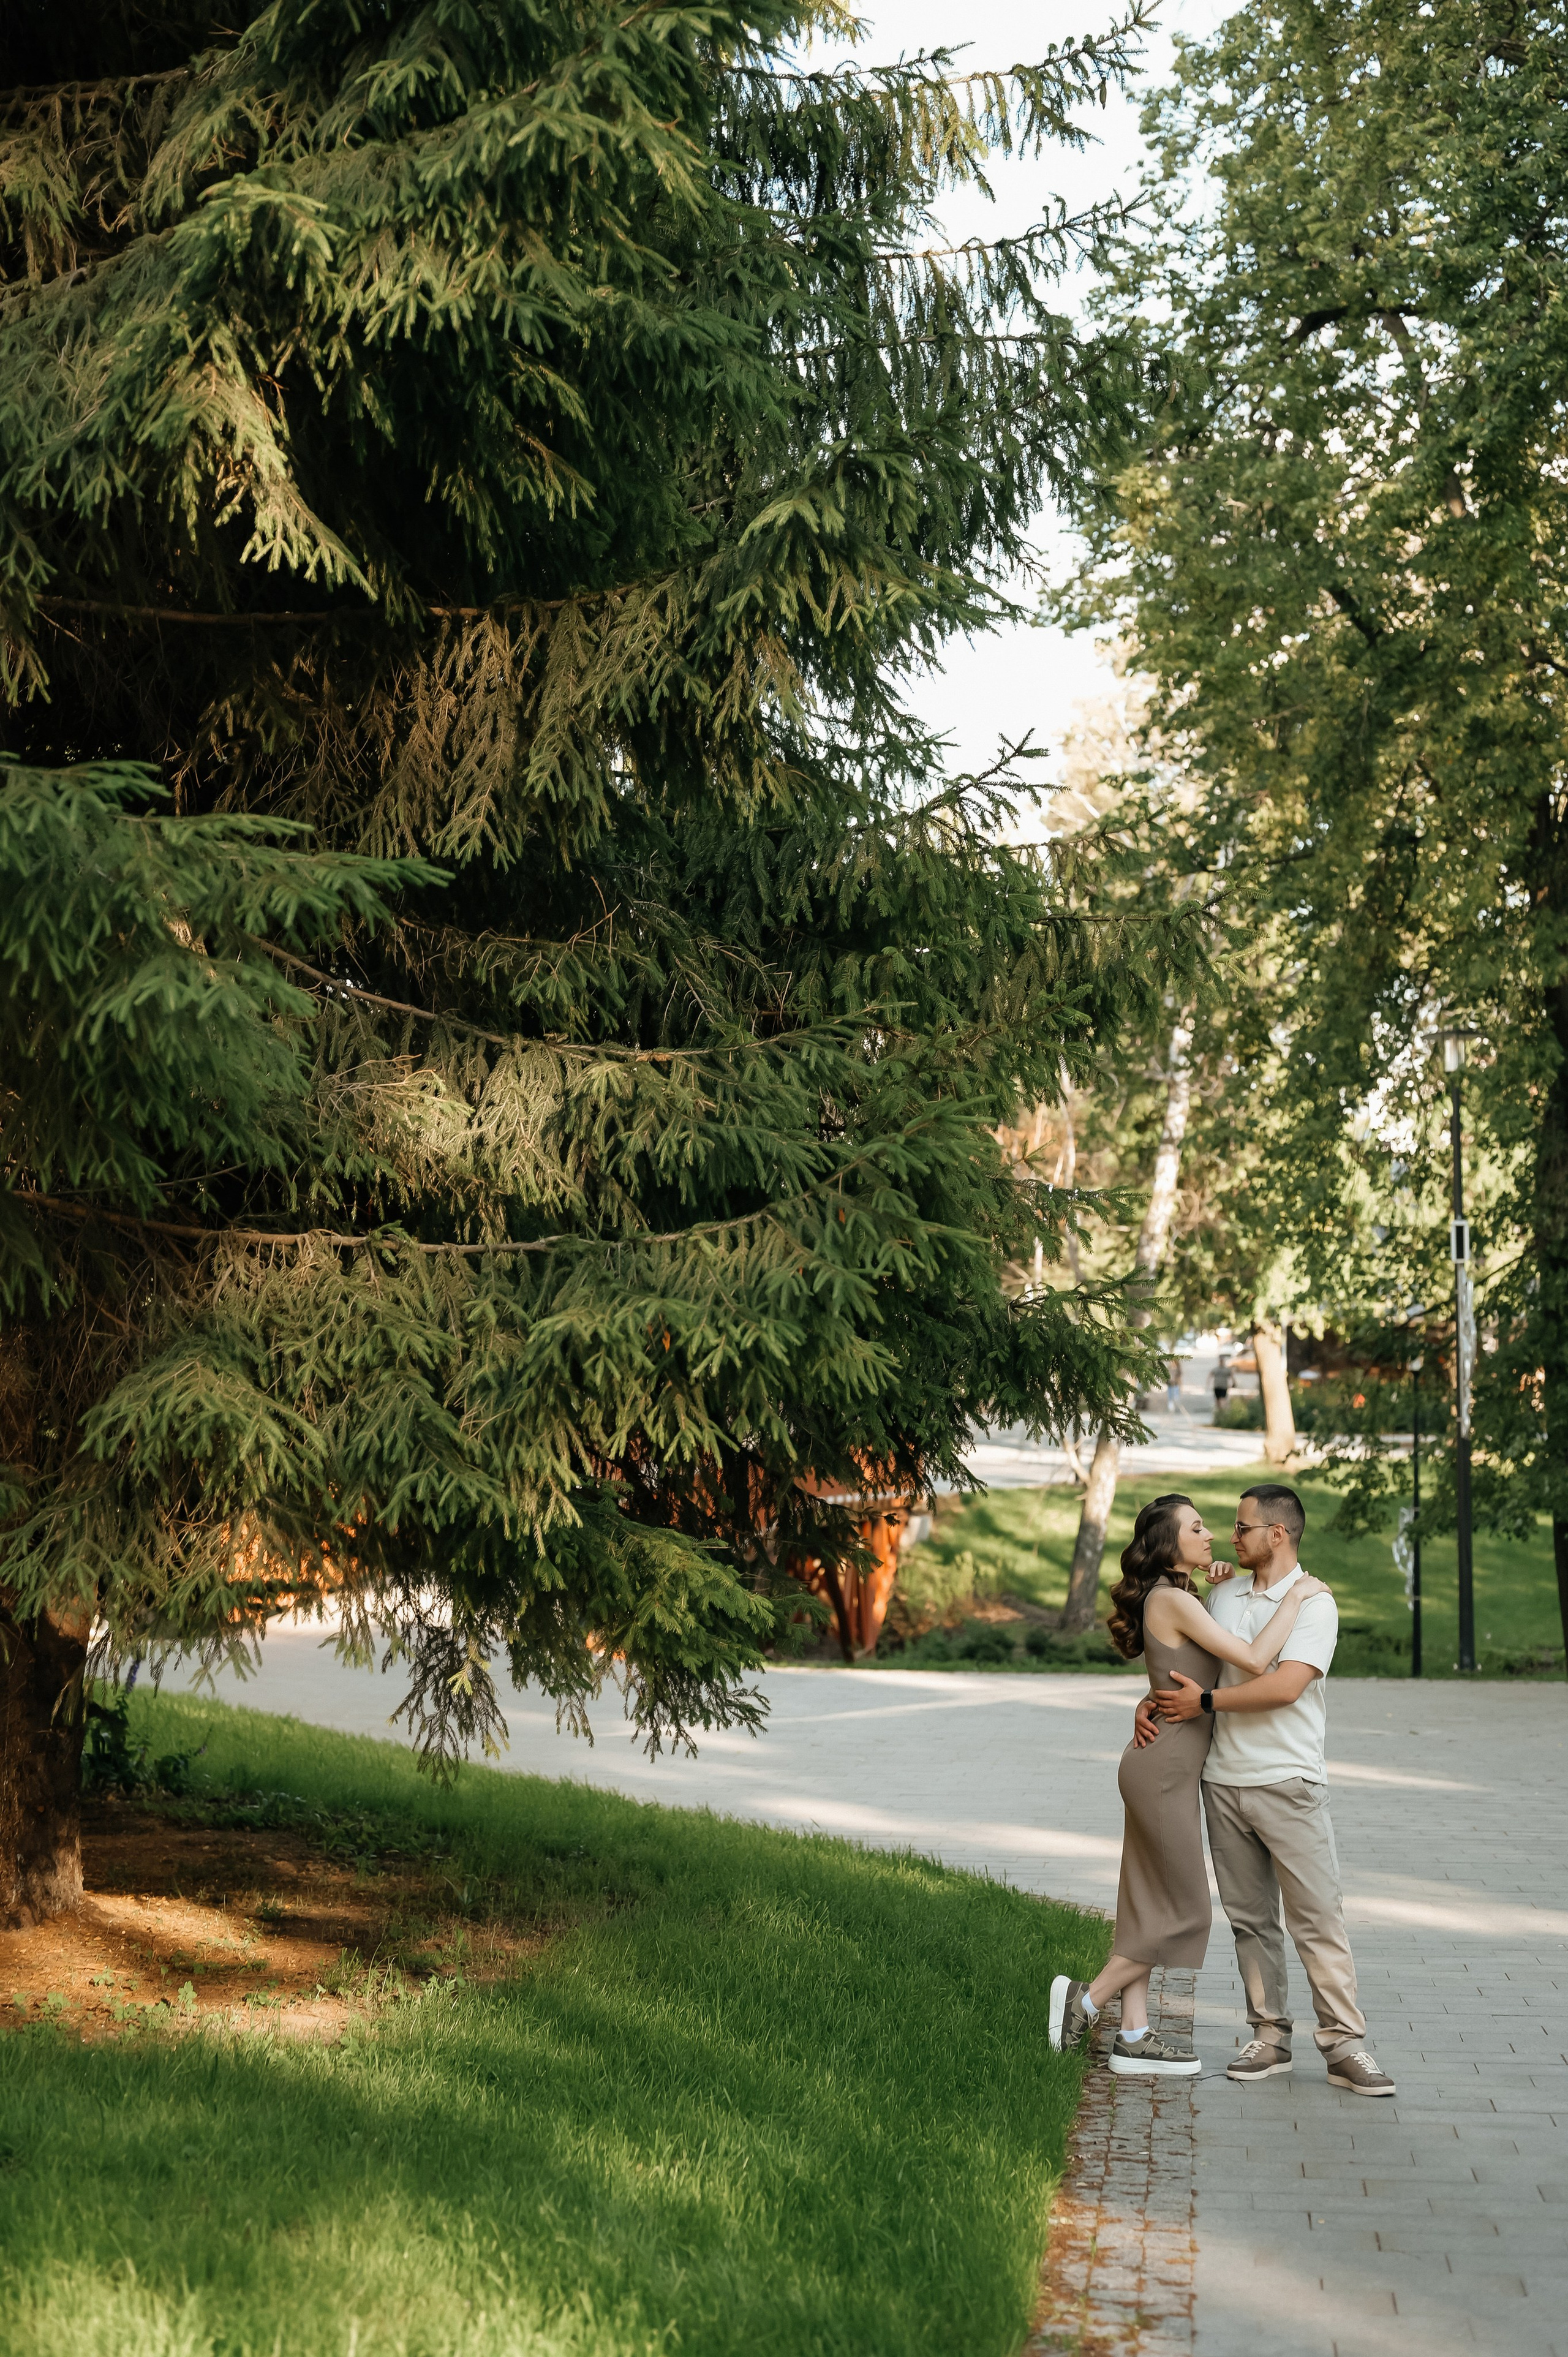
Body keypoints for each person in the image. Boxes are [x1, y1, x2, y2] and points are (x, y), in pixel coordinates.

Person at [1047, 1493, 1330, 2076]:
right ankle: (1086, 2000)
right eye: (1198, 1529)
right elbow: (1254, 1660)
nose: (1214, 1537)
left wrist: (1148, 1696)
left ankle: (1134, 2036)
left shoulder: (1179, 1596)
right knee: (1188, 1912)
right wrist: (1298, 1595)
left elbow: (1178, 1671)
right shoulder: (1173, 1598)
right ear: (1169, 1545)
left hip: (1160, 1764)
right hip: (1165, 1769)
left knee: (1148, 1905)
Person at [1140, 1482, 1396, 2097]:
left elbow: (1284, 1686)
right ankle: (1268, 2034)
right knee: (1251, 1922)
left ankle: (1344, 2043)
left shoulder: (1314, 1602)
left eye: (1242, 1527)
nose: (1231, 1536)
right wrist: (1150, 1700)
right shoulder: (1221, 1592)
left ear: (1275, 1534)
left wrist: (1204, 1701)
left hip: (1289, 1780)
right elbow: (1186, 1663)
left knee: (1317, 1918)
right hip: (1222, 1783)